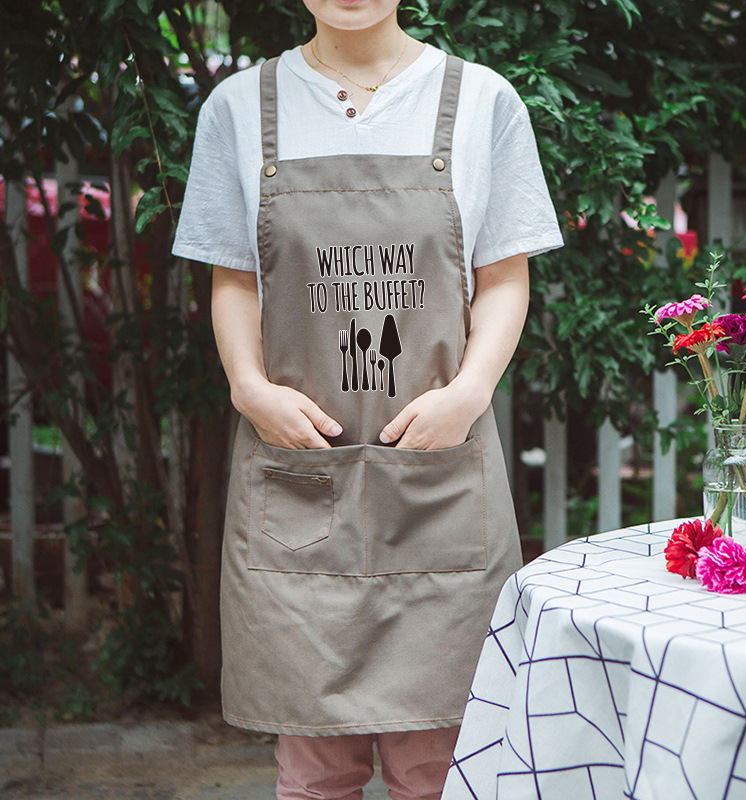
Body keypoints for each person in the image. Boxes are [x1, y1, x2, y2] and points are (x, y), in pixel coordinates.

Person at [171, 0, 563, 797]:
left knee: (437, 768)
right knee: (315, 769)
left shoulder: (484, 101)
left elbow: (504, 276)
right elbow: (234, 280)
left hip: (437, 479)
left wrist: (470, 390)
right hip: (300, 473)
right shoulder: (241, 108)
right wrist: (250, 390)